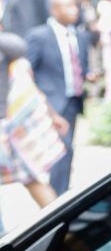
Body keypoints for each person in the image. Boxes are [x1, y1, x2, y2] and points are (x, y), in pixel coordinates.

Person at [24, 0, 90, 195]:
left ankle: (61, 196)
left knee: (68, 153)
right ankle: (57, 202)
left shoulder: (80, 36)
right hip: (51, 103)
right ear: (54, 10)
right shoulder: (39, 36)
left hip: (73, 100)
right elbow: (27, 71)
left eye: (75, 6)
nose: (74, 11)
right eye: (68, 6)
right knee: (63, 150)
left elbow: (80, 67)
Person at [0, 25, 67, 212]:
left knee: (33, 180)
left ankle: (59, 224)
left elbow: (19, 47)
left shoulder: (7, 50)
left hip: (7, 129)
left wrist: (52, 114)